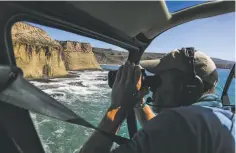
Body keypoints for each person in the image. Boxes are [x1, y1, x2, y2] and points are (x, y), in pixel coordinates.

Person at [79, 49, 235, 153]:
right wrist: (139, 104)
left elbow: (172, 127)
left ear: (190, 87)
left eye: (158, 81)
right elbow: (170, 134)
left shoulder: (179, 122)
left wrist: (118, 106)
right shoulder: (221, 118)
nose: (153, 88)